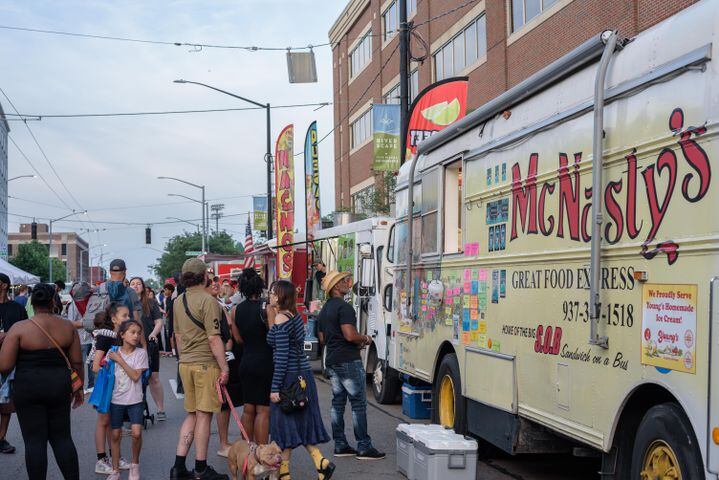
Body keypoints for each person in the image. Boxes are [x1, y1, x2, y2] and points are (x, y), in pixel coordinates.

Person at [0, 283, 83, 479]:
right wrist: (78, 389)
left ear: (32, 302)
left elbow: (4, 366)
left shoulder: (19, 329)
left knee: (34, 442)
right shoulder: (67, 327)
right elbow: (77, 362)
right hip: (59, 386)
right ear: (53, 301)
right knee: (62, 439)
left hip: (28, 387)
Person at [267, 280, 333, 480]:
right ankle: (320, 463)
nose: (269, 295)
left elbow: (281, 357)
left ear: (280, 296)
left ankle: (285, 474)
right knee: (299, 424)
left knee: (283, 426)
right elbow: (279, 342)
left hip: (288, 378)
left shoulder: (280, 318)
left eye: (272, 292)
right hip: (303, 376)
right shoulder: (294, 316)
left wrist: (275, 387)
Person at [170, 258, 230, 480]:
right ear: (204, 275)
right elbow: (214, 338)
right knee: (204, 416)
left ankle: (178, 467)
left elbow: (177, 336)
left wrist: (185, 358)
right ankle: (201, 468)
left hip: (185, 363)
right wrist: (224, 368)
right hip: (205, 364)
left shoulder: (178, 301)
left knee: (192, 414)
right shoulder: (208, 301)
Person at [318, 271, 385, 460]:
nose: (348, 283)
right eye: (343, 281)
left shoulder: (325, 309)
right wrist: (365, 338)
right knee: (358, 404)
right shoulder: (345, 308)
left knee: (337, 403)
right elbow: (349, 335)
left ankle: (340, 445)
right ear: (336, 287)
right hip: (348, 359)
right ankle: (364, 446)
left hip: (332, 359)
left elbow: (323, 338)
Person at [231, 268, 273, 445]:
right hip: (264, 362)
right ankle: (262, 452)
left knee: (248, 409)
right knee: (263, 410)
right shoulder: (267, 308)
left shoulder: (235, 310)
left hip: (246, 361)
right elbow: (273, 336)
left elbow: (238, 339)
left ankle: (247, 451)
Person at [92, 302, 132, 475]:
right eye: (124, 316)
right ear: (114, 319)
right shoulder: (106, 337)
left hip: (120, 385)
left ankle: (116, 457)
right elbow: (95, 365)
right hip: (107, 385)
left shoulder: (123, 336)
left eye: (129, 315)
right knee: (104, 422)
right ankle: (101, 460)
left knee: (114, 423)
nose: (128, 318)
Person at [107, 320, 148, 480]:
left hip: (135, 400)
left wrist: (120, 360)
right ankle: (115, 470)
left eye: (139, 332)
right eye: (132, 332)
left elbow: (136, 376)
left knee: (136, 433)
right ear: (122, 335)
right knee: (116, 435)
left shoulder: (141, 354)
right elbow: (98, 368)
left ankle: (134, 465)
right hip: (116, 400)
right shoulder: (113, 352)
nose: (136, 335)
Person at [206, 276, 241, 458]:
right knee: (222, 403)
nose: (215, 284)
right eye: (210, 282)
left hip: (225, 354)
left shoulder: (218, 302)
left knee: (225, 403)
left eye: (216, 281)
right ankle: (222, 443)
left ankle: (223, 442)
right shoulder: (212, 305)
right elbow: (227, 325)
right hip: (217, 357)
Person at [129, 277, 166, 420]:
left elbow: (159, 322)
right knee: (133, 378)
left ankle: (160, 409)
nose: (136, 286)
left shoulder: (151, 303)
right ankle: (131, 413)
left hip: (150, 345)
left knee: (153, 378)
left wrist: (153, 334)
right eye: (133, 284)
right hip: (131, 347)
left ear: (143, 287)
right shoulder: (126, 304)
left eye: (139, 284)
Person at [0, 272, 27, 454]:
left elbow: (27, 332)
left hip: (10, 361)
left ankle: (1, 438)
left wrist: (8, 337)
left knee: (7, 402)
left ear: (4, 285)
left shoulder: (16, 308)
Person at [65, 282, 95, 393]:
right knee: (80, 363)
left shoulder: (91, 302)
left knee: (88, 362)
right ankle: (80, 386)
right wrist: (87, 323)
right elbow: (71, 322)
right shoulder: (73, 304)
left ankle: (90, 385)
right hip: (81, 339)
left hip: (91, 338)